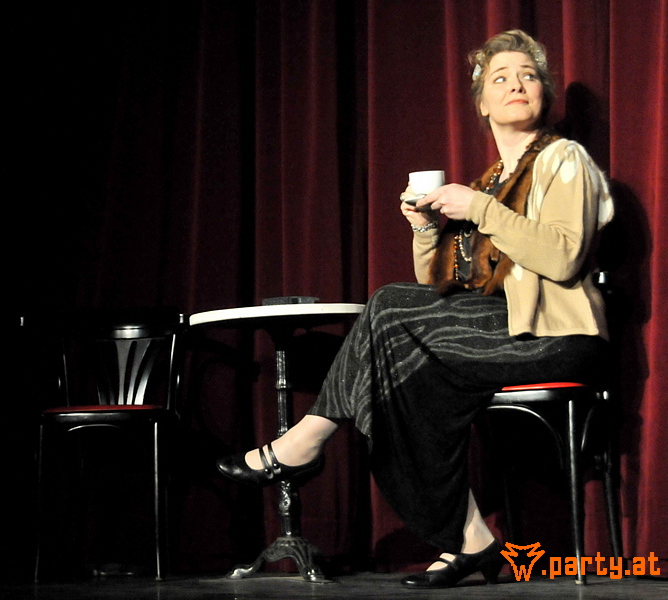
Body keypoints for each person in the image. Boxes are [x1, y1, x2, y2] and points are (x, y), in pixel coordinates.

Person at [216, 30, 614, 588]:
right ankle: (471, 539)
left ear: (544, 94)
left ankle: (306, 438)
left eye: (528, 76)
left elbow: (565, 256)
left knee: (388, 306)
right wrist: (426, 229)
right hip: (494, 331)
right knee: (404, 386)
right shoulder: (490, 183)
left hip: (558, 337)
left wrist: (479, 208)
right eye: (500, 78)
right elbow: (440, 291)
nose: (516, 84)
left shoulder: (562, 158)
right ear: (482, 103)